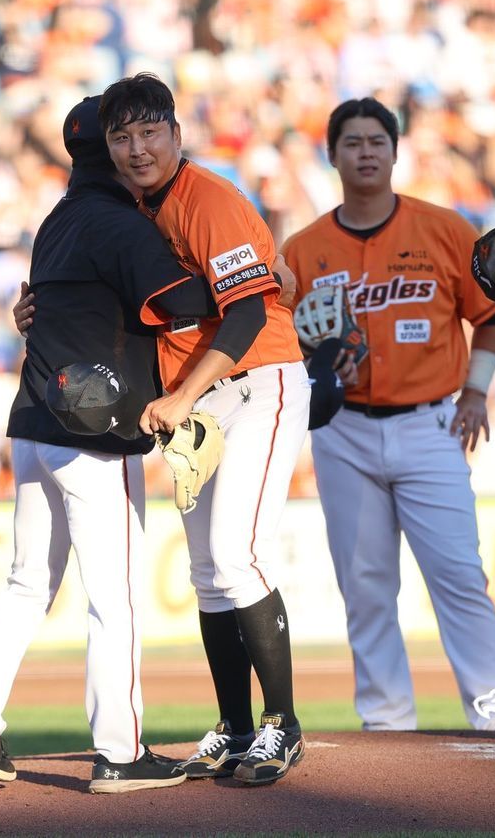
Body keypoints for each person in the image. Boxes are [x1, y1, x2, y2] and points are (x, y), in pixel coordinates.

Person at [0, 96, 217, 794]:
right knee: (115, 598)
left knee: (26, 583)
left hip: (34, 423)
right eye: (126, 137)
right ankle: (121, 753)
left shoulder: (58, 219)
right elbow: (188, 304)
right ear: (116, 147)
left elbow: (50, 308)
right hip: (93, 432)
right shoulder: (121, 224)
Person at [98, 73, 311, 786]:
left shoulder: (207, 198)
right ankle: (238, 725)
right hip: (202, 398)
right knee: (208, 574)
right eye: (121, 137)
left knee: (236, 552)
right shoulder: (131, 210)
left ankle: (282, 725)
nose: (136, 148)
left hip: (259, 380)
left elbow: (250, 312)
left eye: (149, 131)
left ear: (176, 133)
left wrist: (183, 393)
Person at [279, 97, 495, 732]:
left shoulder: (444, 229)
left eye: (376, 140)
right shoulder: (302, 250)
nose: (365, 152)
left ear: (395, 150)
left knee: (460, 576)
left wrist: (476, 391)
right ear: (332, 155)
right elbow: (280, 342)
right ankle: (386, 723)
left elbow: (492, 314)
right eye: (351, 142)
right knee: (366, 587)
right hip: (343, 428)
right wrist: (316, 374)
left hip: (430, 422)